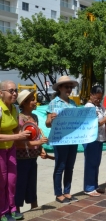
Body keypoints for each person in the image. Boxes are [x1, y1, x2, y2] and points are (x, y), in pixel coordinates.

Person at [0, 80, 31, 221]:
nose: (14, 93)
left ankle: (12, 209)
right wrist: (17, 136)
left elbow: (16, 129)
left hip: (10, 148)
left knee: (12, 180)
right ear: (1, 93)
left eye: (15, 91)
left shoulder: (14, 109)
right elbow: (15, 134)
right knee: (2, 181)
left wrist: (30, 132)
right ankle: (2, 212)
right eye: (11, 91)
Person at [45, 76, 79, 204]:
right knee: (60, 166)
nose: (69, 89)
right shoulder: (53, 103)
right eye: (66, 87)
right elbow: (47, 124)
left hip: (73, 139)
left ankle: (67, 192)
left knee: (70, 166)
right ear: (59, 88)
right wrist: (51, 119)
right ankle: (58, 193)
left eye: (70, 87)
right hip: (60, 139)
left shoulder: (73, 103)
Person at [14, 90, 48, 213]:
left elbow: (37, 137)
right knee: (20, 185)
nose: (35, 102)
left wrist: (41, 149)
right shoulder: (19, 119)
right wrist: (38, 144)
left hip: (33, 157)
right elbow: (18, 143)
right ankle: (16, 210)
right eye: (32, 100)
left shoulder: (35, 117)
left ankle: (35, 208)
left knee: (32, 184)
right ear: (24, 102)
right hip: (21, 158)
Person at [83, 85, 106, 196]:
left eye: (100, 98)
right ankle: (88, 188)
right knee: (90, 163)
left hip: (99, 139)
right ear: (91, 95)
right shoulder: (88, 107)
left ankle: (94, 185)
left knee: (96, 163)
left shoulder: (100, 107)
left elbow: (105, 118)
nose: (98, 100)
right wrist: (104, 120)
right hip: (91, 140)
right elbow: (91, 124)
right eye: (97, 98)